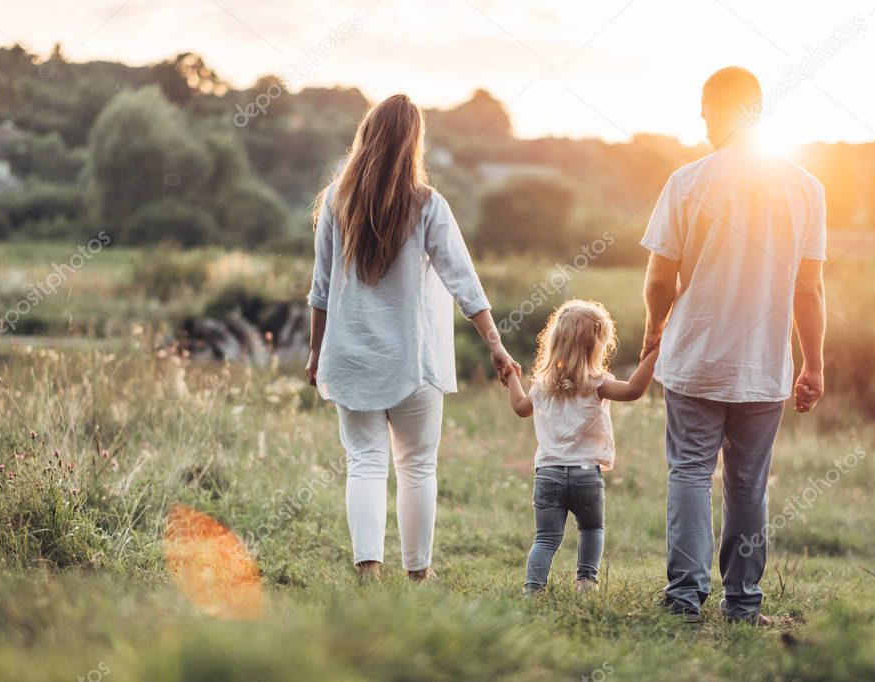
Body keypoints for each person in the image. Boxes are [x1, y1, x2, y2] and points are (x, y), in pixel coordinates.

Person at [640, 67, 827, 623]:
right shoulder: (805, 188)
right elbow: (810, 288)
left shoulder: (687, 181)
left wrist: (655, 325)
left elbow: (657, 278)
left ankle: (684, 599)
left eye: (704, 111)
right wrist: (813, 363)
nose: (701, 123)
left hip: (696, 358)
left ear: (721, 109)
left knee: (691, 472)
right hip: (765, 366)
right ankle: (743, 604)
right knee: (748, 485)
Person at [305, 94, 517, 583]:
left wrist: (316, 353)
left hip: (352, 357)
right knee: (418, 466)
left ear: (367, 137)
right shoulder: (427, 205)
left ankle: (368, 572)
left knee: (364, 462)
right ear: (413, 144)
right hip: (414, 361)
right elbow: (464, 280)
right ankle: (419, 575)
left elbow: (320, 289)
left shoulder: (337, 200)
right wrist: (495, 344)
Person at [504, 300, 658, 593]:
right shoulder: (597, 383)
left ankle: (532, 589)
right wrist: (653, 355)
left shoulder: (541, 386)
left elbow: (520, 408)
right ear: (596, 344)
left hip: (547, 474)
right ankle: (586, 581)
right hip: (586, 475)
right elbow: (634, 390)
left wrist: (512, 377)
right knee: (591, 529)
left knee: (545, 538)